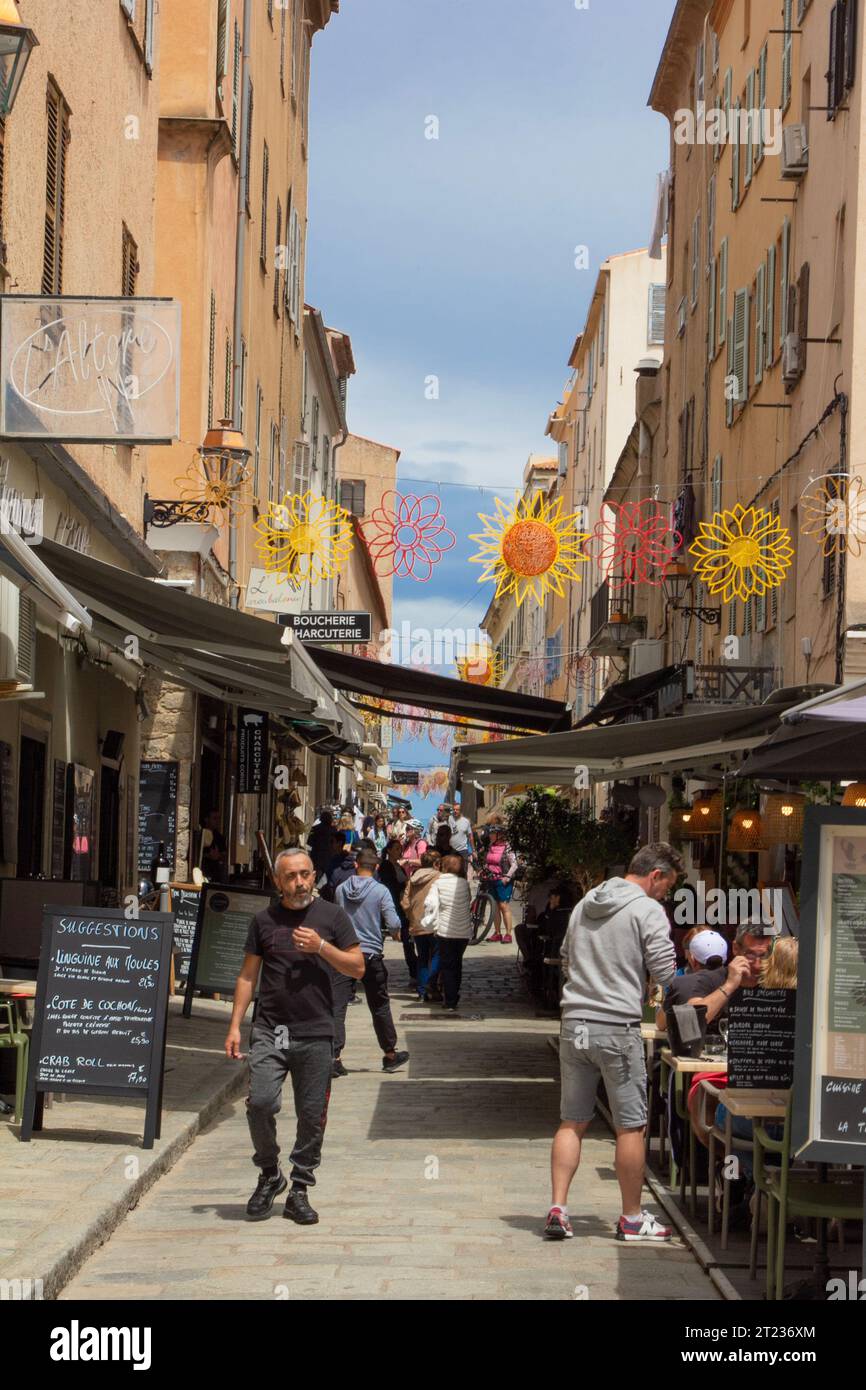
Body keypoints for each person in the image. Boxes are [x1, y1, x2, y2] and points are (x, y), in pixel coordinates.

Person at [545, 843, 682, 1243]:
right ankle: (632, 1218)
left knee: (573, 1120)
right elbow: (665, 971)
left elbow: (567, 956)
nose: (664, 896)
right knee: (630, 1127)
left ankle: (558, 1208)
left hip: (576, 1022)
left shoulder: (588, 901)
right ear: (654, 875)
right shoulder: (647, 910)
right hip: (616, 1025)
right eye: (666, 886)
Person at [226, 849, 364, 1226]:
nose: (300, 882)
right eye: (291, 876)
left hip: (317, 1031)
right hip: (272, 1030)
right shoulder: (263, 921)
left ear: (315, 874)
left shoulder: (332, 917)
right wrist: (236, 1025)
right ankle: (270, 1173)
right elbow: (247, 977)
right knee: (262, 1103)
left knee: (312, 1115)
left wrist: (321, 947)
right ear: (278, 881)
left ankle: (300, 1189)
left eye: (305, 874)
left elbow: (358, 966)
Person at [332, 847, 410, 1075]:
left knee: (338, 1006)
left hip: (345, 954)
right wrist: (394, 932)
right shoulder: (381, 891)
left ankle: (334, 1057)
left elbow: (337, 919)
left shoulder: (341, 890)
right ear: (376, 868)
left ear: (356, 865)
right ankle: (390, 1054)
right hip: (371, 955)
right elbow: (394, 923)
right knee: (379, 1006)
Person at [657, 923, 774, 1034]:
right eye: (751, 955)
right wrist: (729, 986)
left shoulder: (776, 984)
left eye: (763, 955)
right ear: (735, 949)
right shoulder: (702, 981)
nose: (758, 964)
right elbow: (687, 1023)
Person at [420, 853, 473, 1012]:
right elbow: (468, 900)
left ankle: (450, 1000)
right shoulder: (464, 884)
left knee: (448, 966)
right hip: (463, 932)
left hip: (445, 932)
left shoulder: (438, 883)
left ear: (443, 866)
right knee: (457, 964)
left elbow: (431, 903)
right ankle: (454, 994)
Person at [655, 928, 730, 1033]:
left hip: (692, 1047)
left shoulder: (680, 984)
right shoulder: (740, 981)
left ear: (692, 959)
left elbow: (661, 1023)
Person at [403, 850, 442, 1000]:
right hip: (435, 923)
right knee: (438, 955)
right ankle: (432, 984)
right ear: (436, 864)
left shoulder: (413, 878)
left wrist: (412, 915)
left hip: (418, 923)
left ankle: (422, 991)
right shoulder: (440, 877)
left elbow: (405, 901)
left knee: (423, 958)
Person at [379, 837, 417, 983]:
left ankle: (414, 973)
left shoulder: (399, 867)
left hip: (402, 907)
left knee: (408, 942)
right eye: (396, 849)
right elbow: (391, 886)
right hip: (393, 905)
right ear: (389, 850)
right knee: (404, 940)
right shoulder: (386, 866)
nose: (399, 851)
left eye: (400, 849)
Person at [485, 825, 517, 944]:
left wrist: (507, 877)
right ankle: (497, 933)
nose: (490, 835)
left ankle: (508, 934)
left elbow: (514, 864)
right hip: (491, 880)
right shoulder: (491, 846)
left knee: (504, 906)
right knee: (495, 907)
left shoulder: (507, 847)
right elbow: (489, 862)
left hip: (502, 880)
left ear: (499, 835)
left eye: (492, 834)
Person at [201, 809, 228, 880]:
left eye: (218, 818)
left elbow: (225, 855)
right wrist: (207, 855)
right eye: (214, 818)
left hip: (215, 874)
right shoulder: (200, 835)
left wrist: (218, 855)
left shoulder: (219, 837)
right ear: (206, 819)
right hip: (202, 871)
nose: (217, 821)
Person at [307, 810, 334, 879]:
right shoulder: (333, 830)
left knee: (316, 875)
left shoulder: (315, 828)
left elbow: (309, 842)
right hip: (329, 855)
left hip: (316, 855)